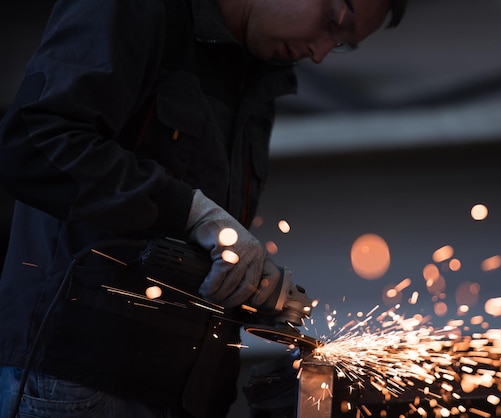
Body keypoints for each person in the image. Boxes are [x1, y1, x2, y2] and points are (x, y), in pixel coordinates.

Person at [0, 0, 408, 416]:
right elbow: (32, 145)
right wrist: (191, 212)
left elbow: (209, 243)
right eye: (332, 22)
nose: (319, 53)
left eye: (340, 45)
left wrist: (254, 294)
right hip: (80, 379)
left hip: (183, 395)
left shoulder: (259, 70)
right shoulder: (139, 10)